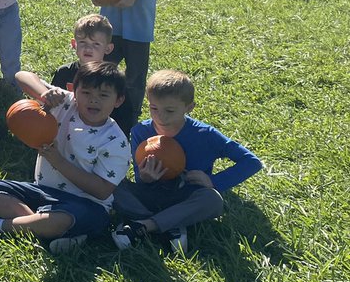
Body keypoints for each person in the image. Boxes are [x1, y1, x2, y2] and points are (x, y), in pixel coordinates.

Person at [0, 61, 130, 254]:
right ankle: (45, 230)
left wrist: (59, 162)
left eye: (103, 95)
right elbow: (22, 76)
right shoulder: (66, 103)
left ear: (118, 100)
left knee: (62, 219)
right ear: (75, 90)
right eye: (86, 93)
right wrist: (43, 93)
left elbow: (102, 191)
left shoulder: (115, 141)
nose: (93, 100)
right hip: (42, 192)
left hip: (87, 206)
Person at [112, 70, 263, 256]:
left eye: (170, 111)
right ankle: (172, 225)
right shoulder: (140, 132)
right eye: (153, 108)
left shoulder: (205, 134)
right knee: (111, 186)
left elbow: (251, 162)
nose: (160, 117)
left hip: (187, 196)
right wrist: (145, 178)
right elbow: (141, 179)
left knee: (212, 200)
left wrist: (213, 182)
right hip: (150, 195)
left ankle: (143, 225)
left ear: (189, 107)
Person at [50, 14, 136, 135]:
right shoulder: (64, 72)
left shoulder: (113, 78)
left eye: (96, 44)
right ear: (74, 44)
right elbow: (53, 106)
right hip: (66, 131)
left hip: (102, 136)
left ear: (108, 48)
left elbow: (125, 116)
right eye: (83, 42)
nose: (88, 48)